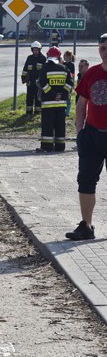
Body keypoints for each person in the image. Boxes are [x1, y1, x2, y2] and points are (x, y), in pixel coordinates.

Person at [65, 33, 107, 241]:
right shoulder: (91, 74)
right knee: (86, 181)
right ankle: (86, 226)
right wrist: (80, 133)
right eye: (103, 48)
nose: (106, 52)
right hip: (92, 136)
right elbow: (81, 105)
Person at [35, 46, 72, 153]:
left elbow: (42, 83)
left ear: (47, 56)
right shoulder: (64, 69)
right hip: (61, 103)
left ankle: (47, 147)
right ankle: (60, 147)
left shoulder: (44, 68)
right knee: (60, 125)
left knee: (48, 125)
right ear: (59, 56)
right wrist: (62, 95)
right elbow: (69, 83)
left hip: (48, 103)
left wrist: (52, 94)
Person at [21, 41, 46, 116]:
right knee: (29, 97)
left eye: (36, 50)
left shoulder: (43, 59)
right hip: (30, 82)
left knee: (38, 97)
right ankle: (29, 112)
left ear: (39, 50)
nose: (35, 51)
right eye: (34, 50)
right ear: (32, 50)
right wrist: (24, 78)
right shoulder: (29, 58)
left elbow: (45, 71)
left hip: (38, 83)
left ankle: (37, 112)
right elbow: (25, 69)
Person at [63, 50, 76, 116]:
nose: (66, 57)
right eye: (65, 56)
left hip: (69, 83)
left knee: (68, 97)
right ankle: (63, 110)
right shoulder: (63, 64)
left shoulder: (72, 65)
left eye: (67, 56)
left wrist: (72, 83)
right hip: (63, 82)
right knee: (63, 97)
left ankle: (67, 111)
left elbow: (73, 75)